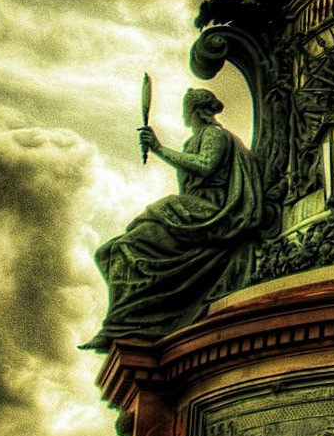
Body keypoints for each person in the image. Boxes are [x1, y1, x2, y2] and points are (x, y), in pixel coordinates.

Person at [84, 88, 262, 348]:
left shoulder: (214, 134)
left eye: (185, 109)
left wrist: (158, 149)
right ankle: (121, 322)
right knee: (109, 252)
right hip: (189, 212)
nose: (183, 114)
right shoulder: (191, 141)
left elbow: (205, 165)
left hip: (209, 212)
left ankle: (122, 323)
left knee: (126, 247)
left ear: (195, 111)